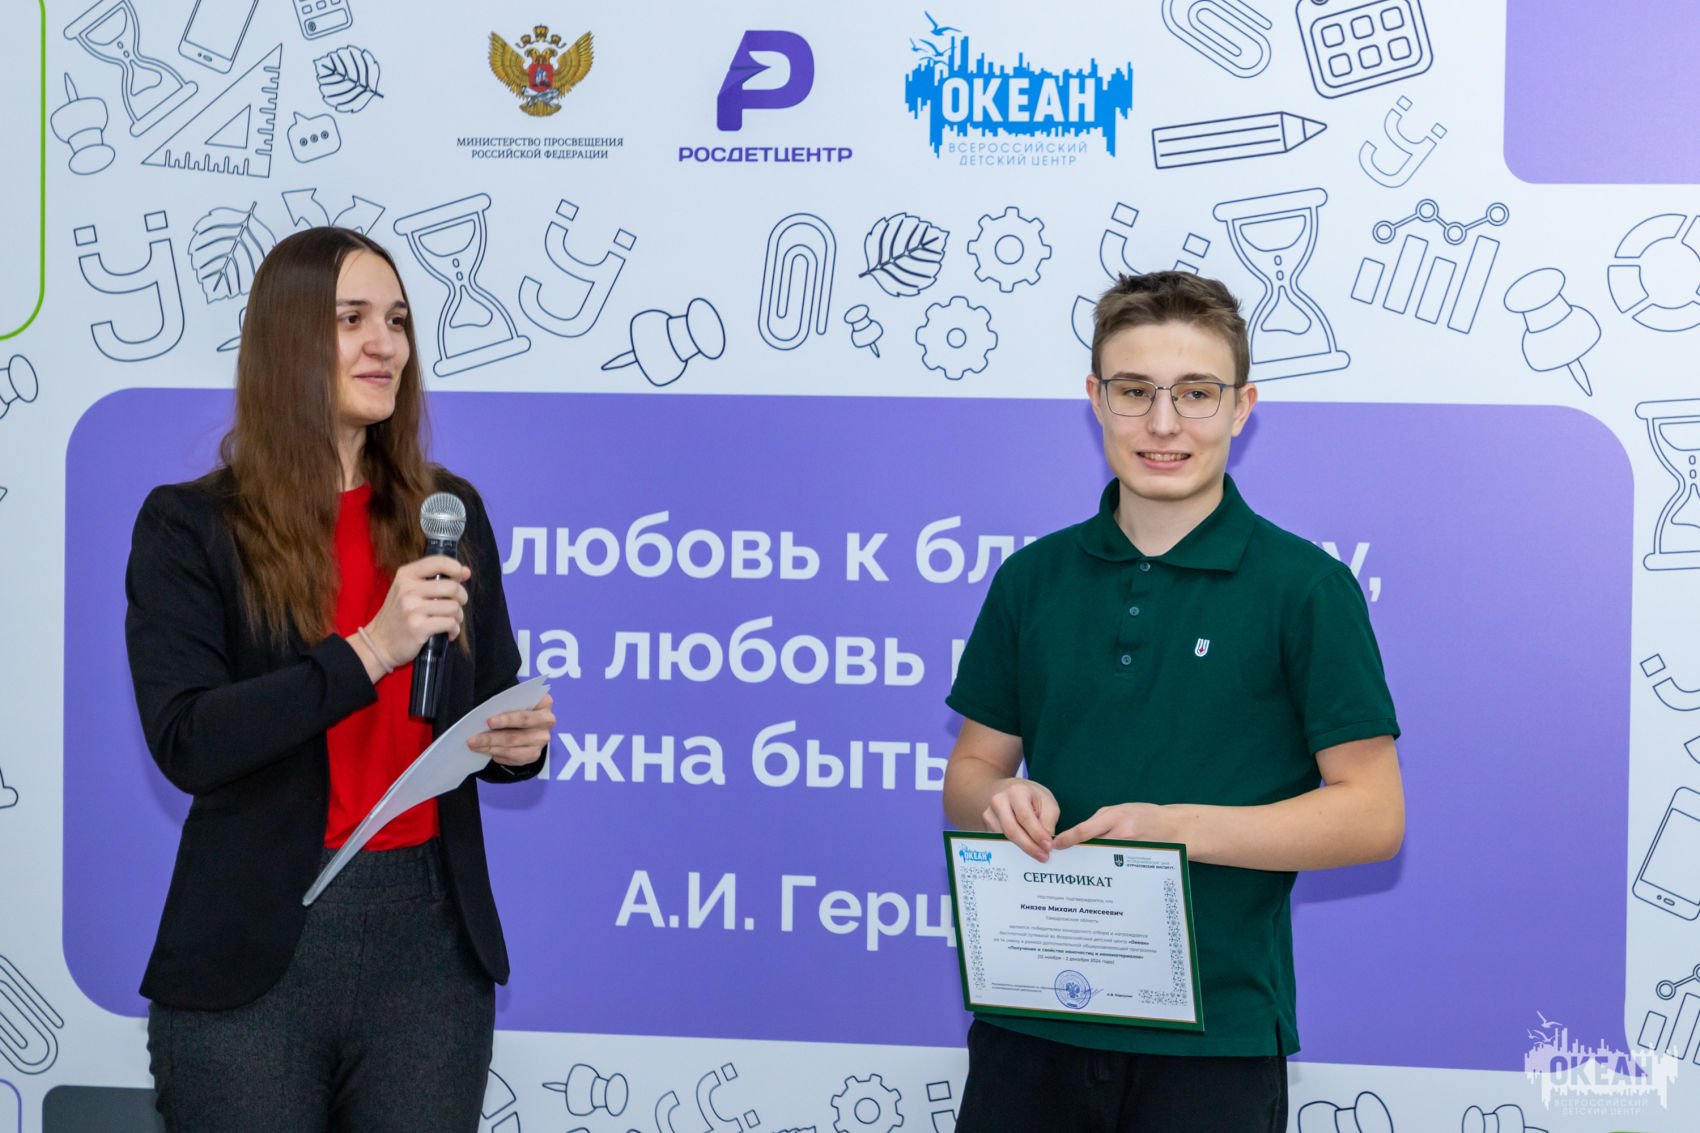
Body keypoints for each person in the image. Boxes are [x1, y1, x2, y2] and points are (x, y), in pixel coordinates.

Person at [942, 272, 1404, 1132]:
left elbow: (1374, 815)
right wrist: (998, 796)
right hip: (1029, 1021)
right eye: (1134, 391)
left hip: (1214, 1040)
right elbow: (971, 770)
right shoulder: (1031, 579)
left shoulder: (1305, 588)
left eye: (1195, 392)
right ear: (1096, 399)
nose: (1163, 423)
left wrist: (1175, 828)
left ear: (1241, 407)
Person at [124, 226, 554, 1132]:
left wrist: (515, 743)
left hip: (429, 949)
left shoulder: (449, 511)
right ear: (286, 340)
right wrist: (368, 649)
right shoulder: (189, 527)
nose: (383, 344)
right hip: (256, 948)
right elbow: (190, 739)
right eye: (351, 318)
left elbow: (491, 693)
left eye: (396, 321)